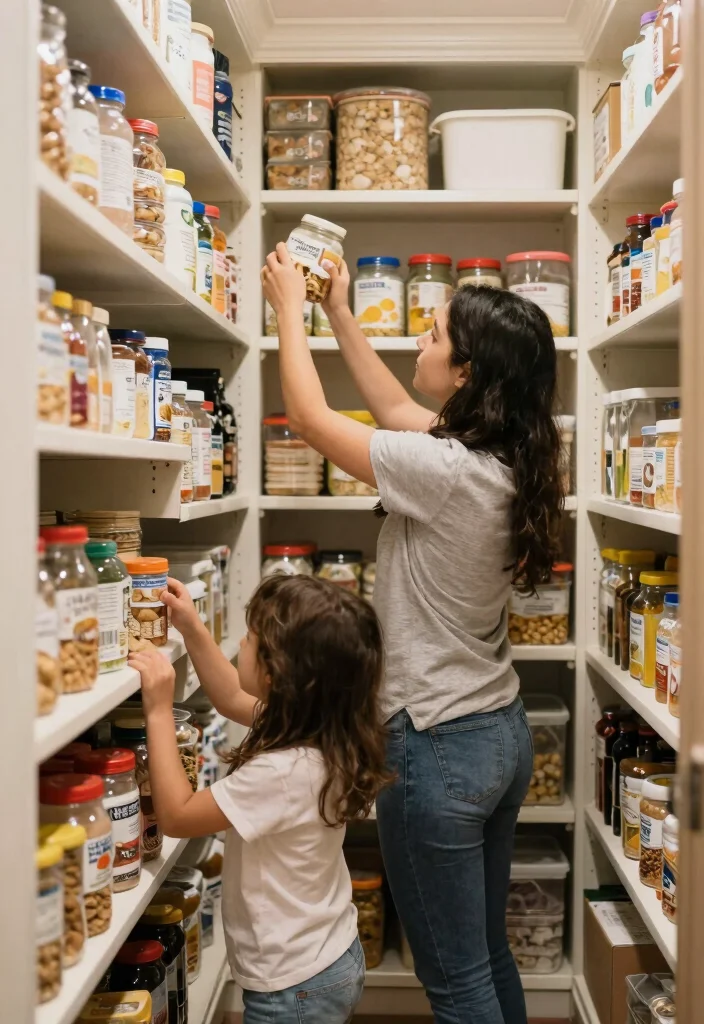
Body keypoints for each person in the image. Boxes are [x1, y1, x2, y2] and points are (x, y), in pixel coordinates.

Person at [261, 244, 564, 1024]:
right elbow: (394, 409)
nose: (420, 345)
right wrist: (335, 311)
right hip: (497, 730)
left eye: (430, 336)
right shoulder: (496, 454)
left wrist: (288, 309)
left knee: (454, 979)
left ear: (466, 373)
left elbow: (311, 419)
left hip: (435, 742)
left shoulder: (447, 470)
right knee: (484, 955)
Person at [132, 573, 390, 1024]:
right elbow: (232, 695)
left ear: (277, 672)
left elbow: (175, 815)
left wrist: (157, 709)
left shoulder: (284, 771)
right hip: (329, 953)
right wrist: (192, 627)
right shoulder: (321, 727)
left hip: (294, 986)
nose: (243, 644)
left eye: (250, 638)